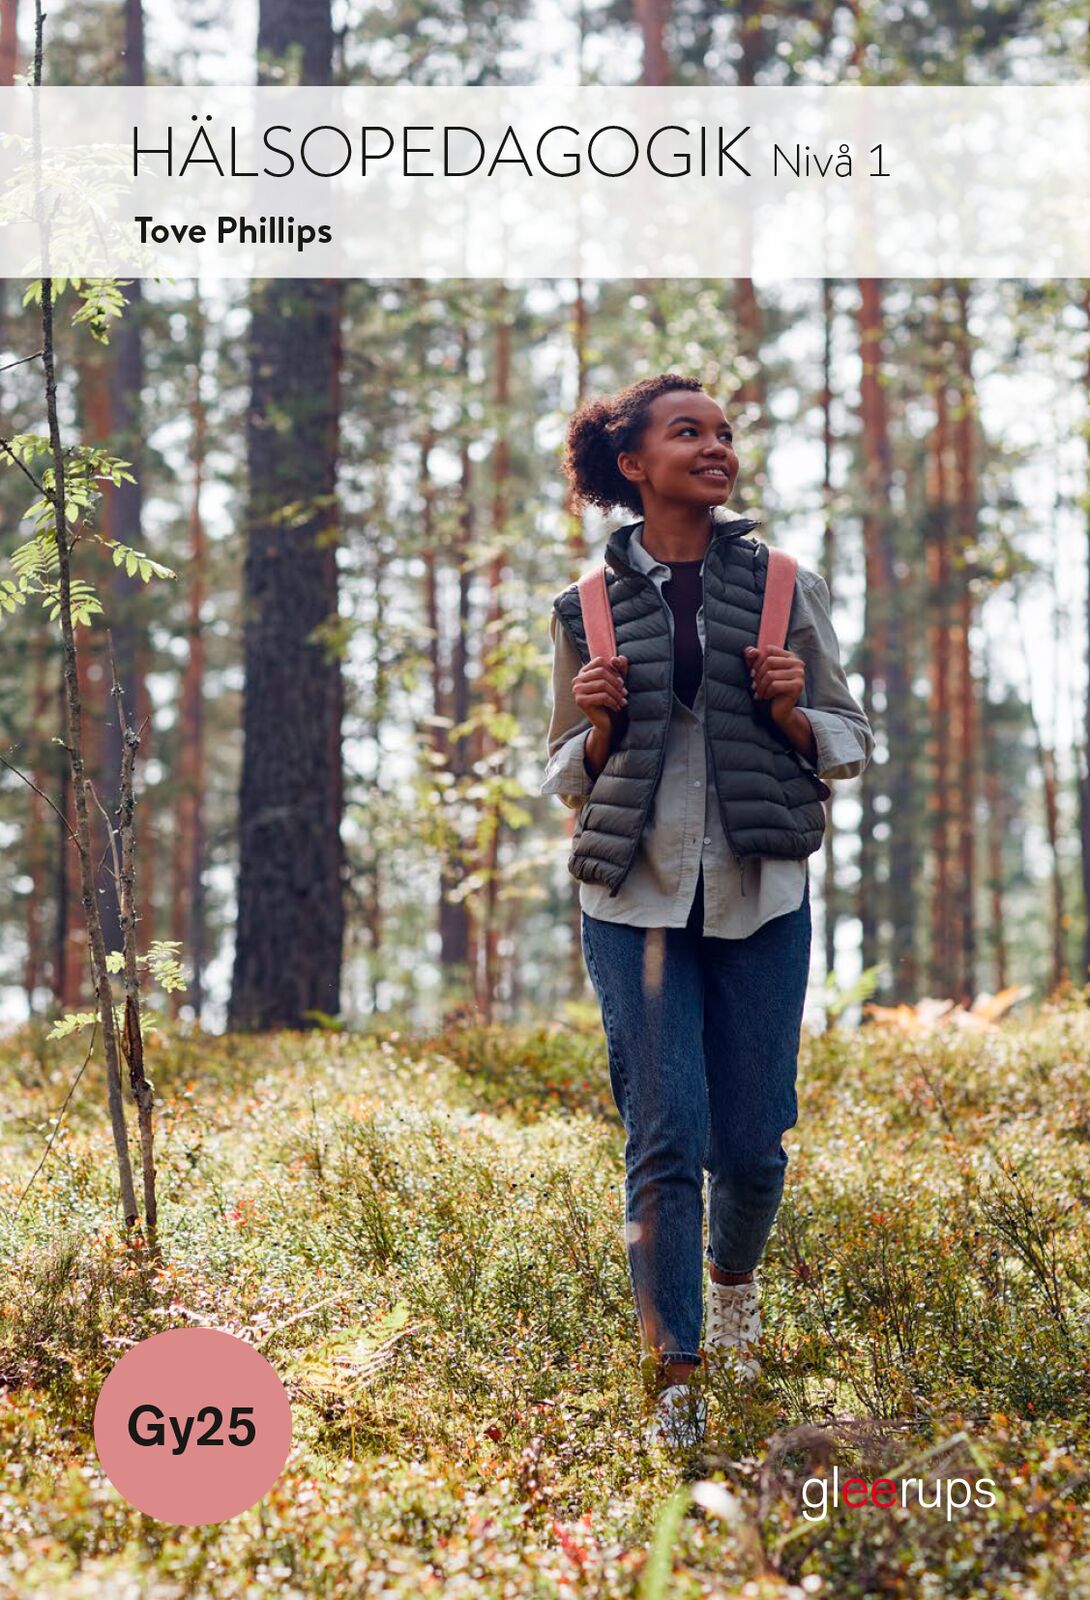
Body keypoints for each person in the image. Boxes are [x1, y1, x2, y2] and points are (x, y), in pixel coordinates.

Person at [540, 373, 874, 1449]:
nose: (716, 446)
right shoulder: (581, 610)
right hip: (628, 898)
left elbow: (851, 738)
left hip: (759, 890)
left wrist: (789, 706)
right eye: (689, 432)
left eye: (725, 432)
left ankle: (733, 1289)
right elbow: (562, 772)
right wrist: (593, 725)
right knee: (664, 1131)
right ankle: (674, 1373)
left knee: (753, 1140)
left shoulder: (784, 584)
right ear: (631, 464)